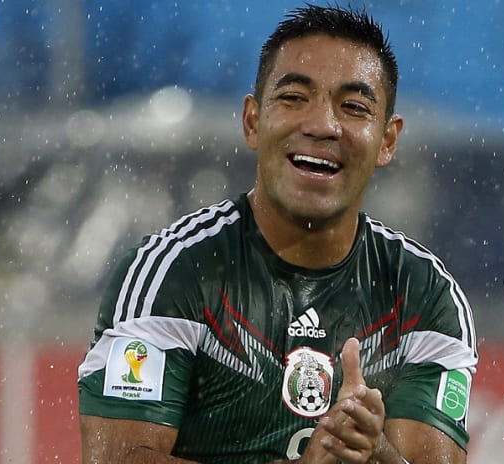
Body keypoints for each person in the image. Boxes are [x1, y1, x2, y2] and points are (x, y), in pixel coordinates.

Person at [77, 4, 478, 463]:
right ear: (252, 121)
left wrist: (376, 454)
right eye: (294, 98)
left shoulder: (424, 296)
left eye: (353, 107)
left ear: (387, 140)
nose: (323, 125)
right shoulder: (172, 273)